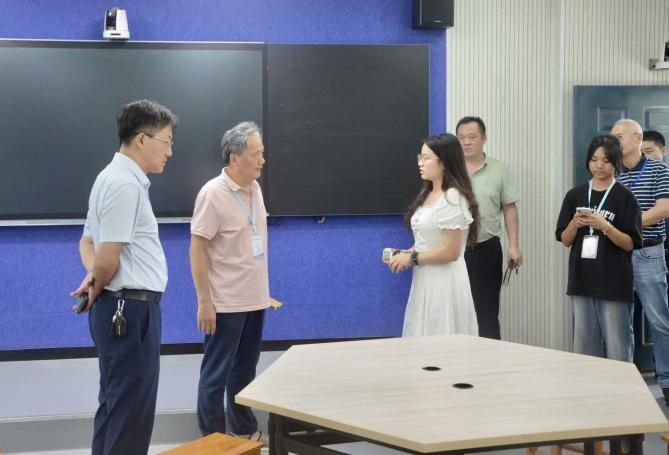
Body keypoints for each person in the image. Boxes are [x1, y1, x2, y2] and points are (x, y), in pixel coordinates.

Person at [71, 99, 178, 454]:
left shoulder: (108, 177)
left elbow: (87, 242)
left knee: (115, 407)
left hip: (119, 309)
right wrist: (98, 279)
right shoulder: (125, 185)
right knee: (131, 416)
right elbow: (108, 259)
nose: (170, 151)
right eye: (167, 141)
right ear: (143, 139)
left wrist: (93, 277)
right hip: (129, 311)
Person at [190, 121, 269, 441]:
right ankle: (213, 440)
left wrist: (262, 292)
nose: (263, 160)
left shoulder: (255, 189)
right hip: (225, 303)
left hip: (255, 300)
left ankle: (244, 431)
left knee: (245, 371)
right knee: (215, 376)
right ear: (234, 158)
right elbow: (197, 249)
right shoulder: (213, 193)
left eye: (262, 153)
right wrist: (204, 301)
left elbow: (246, 246)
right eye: (256, 154)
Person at [556, 135, 641, 361]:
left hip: (614, 282)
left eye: (606, 160)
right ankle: (587, 384)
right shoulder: (575, 195)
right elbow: (565, 240)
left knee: (618, 345)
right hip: (582, 280)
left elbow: (630, 243)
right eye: (594, 159)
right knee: (584, 346)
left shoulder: (625, 197)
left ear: (616, 163)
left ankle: (621, 384)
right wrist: (574, 224)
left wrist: (606, 226)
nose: (599, 165)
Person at [388, 133, 479, 336]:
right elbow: (427, 242)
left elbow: (451, 251)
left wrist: (412, 258)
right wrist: (405, 253)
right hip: (425, 278)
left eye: (426, 158)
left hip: (444, 282)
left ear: (444, 162)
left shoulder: (453, 197)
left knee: (442, 336)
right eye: (420, 157)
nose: (420, 163)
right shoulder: (428, 194)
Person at [613, 119, 669, 405]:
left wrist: (626, 226)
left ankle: (666, 381)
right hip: (617, 255)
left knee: (660, 320)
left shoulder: (659, 170)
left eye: (620, 137)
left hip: (648, 252)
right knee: (621, 322)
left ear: (638, 137)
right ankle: (626, 382)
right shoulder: (612, 172)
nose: (614, 142)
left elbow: (663, 209)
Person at [456, 116, 521, 340]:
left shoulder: (499, 169)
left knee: (487, 313)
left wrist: (514, 246)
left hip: (487, 249)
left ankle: (490, 356)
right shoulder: (449, 170)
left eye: (472, 137)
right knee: (458, 310)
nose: (466, 142)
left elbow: (509, 208)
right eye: (461, 137)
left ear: (484, 139)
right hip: (454, 251)